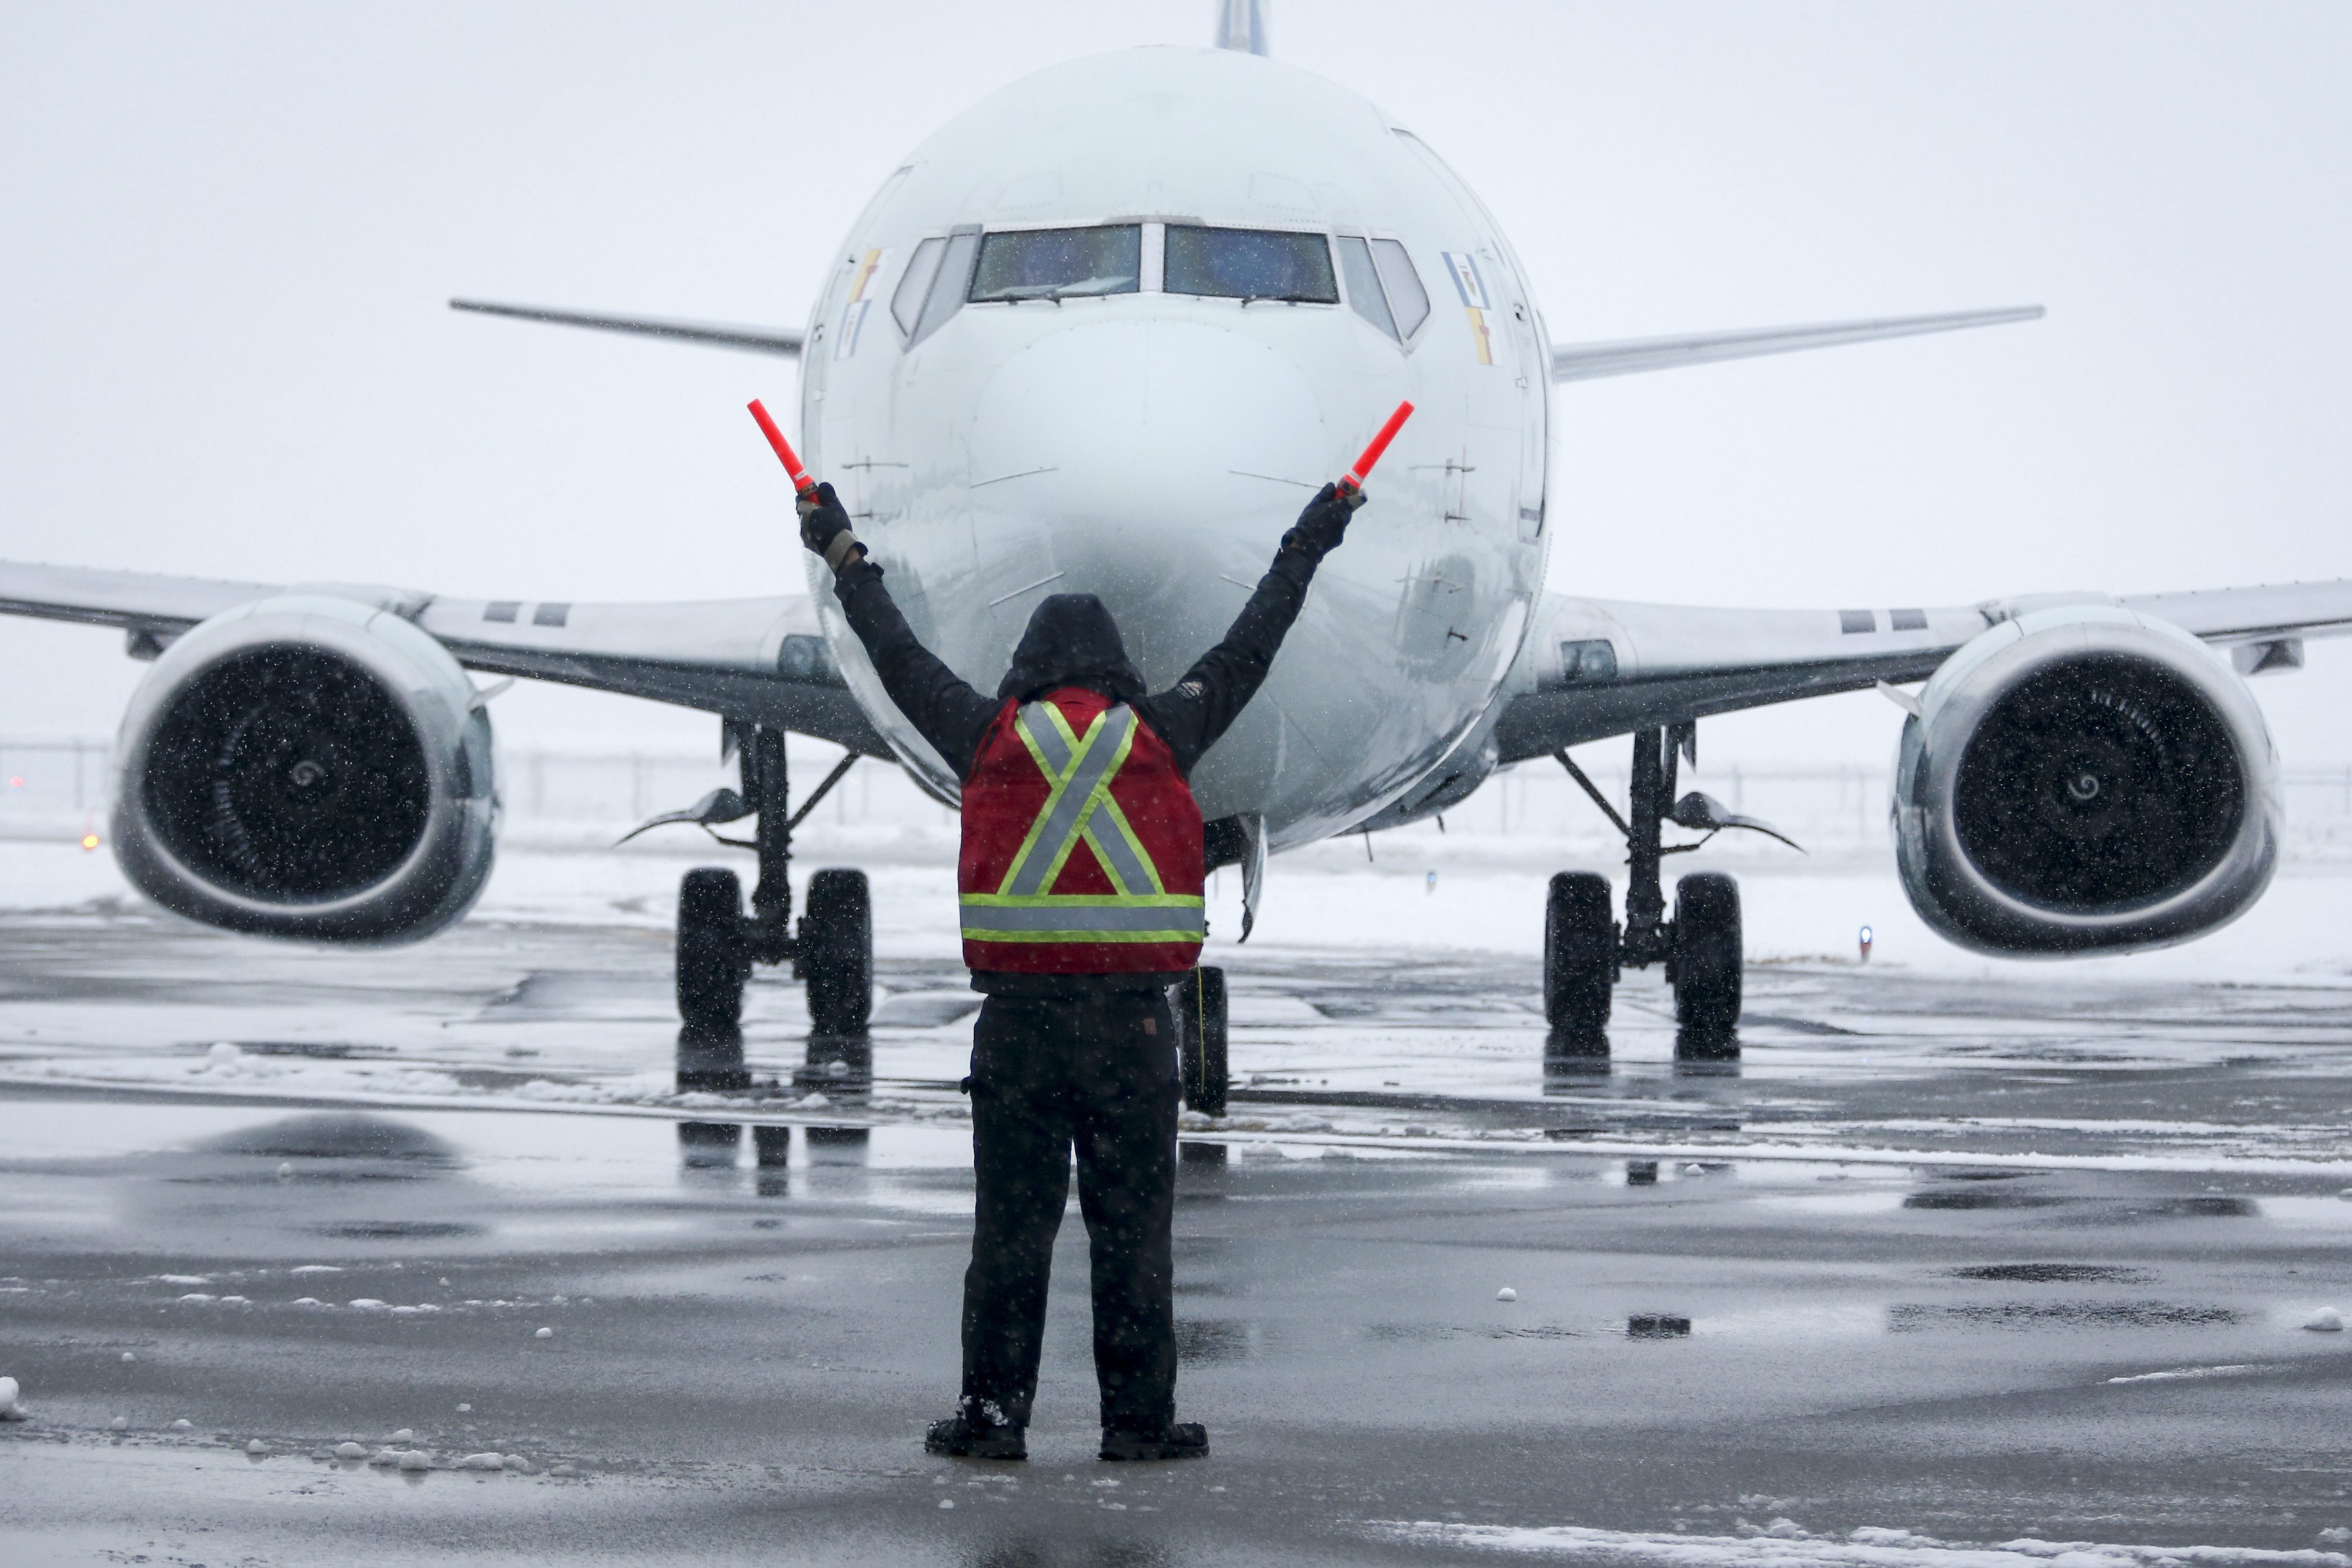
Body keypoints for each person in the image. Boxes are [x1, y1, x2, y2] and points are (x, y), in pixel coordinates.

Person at [795, 477, 1361, 1463]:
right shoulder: (1166, 734)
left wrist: (842, 551)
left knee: (1009, 1242)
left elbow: (895, 653)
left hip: (1019, 1033)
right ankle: (1138, 1423)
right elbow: (1253, 644)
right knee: (1134, 1240)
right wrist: (1311, 539)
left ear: (1026, 667)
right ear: (1116, 668)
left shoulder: (985, 737)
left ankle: (991, 1417)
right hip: (1137, 1034)